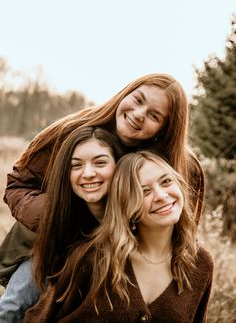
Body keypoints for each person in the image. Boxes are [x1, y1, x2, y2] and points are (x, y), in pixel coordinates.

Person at [0, 73, 204, 318]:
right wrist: (60, 215)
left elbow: (180, 221)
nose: (139, 114)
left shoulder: (168, 163)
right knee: (16, 307)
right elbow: (19, 184)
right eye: (138, 100)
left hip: (115, 253)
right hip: (51, 243)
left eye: (154, 115)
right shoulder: (72, 132)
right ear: (125, 93)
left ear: (165, 128)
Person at [24, 151, 214, 322]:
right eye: (144, 191)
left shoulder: (200, 265)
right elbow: (40, 318)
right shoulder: (93, 259)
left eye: (166, 182)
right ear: (127, 206)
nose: (161, 196)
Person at [0, 126, 123, 322]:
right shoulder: (56, 216)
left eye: (100, 162)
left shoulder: (131, 220)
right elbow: (12, 309)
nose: (88, 173)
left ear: (118, 165)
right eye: (76, 165)